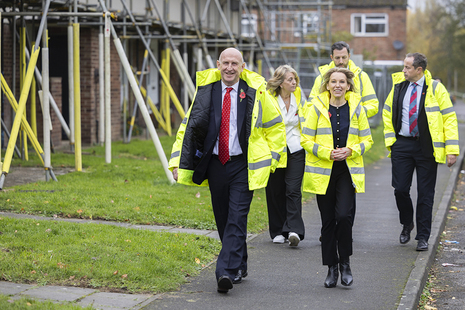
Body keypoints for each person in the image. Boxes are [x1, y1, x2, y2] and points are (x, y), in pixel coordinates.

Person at [169, 48, 286, 293]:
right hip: (215, 164)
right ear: (218, 64)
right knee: (224, 219)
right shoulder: (206, 91)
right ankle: (240, 263)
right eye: (226, 63)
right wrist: (176, 162)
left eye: (235, 63)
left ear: (243, 66)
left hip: (243, 164)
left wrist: (273, 160)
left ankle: (225, 271)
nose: (230, 68)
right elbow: (188, 128)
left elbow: (275, 127)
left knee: (237, 217)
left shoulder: (255, 92)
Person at [301, 67, 373, 288]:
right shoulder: (316, 107)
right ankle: (331, 268)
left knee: (344, 217)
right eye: (333, 82)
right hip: (324, 172)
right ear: (327, 85)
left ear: (348, 85)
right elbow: (305, 139)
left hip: (347, 171)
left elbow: (367, 140)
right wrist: (327, 152)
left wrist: (351, 150)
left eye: (342, 81)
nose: (338, 85)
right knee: (328, 222)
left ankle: (345, 262)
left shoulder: (357, 108)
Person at [383, 52, 459, 251]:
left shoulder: (436, 88)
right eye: (404, 66)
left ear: (419, 70)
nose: (403, 70)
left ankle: (423, 236)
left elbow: (449, 118)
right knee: (400, 189)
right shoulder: (399, 86)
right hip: (402, 145)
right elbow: (387, 112)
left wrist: (452, 150)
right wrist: (392, 141)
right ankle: (407, 223)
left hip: (426, 147)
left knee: (426, 194)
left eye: (407, 67)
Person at [265, 65, 306, 246]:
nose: (294, 82)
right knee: (275, 190)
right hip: (274, 150)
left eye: (295, 79)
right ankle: (277, 230)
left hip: (296, 148)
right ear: (280, 83)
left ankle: (294, 230)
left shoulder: (299, 98)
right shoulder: (268, 99)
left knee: (293, 189)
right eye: (290, 79)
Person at [309, 41, 379, 119]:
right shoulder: (322, 78)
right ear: (332, 57)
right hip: (328, 125)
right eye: (337, 58)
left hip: (355, 126)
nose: (341, 61)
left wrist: (355, 114)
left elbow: (373, 105)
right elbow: (311, 105)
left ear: (349, 56)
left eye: (344, 57)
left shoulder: (361, 77)